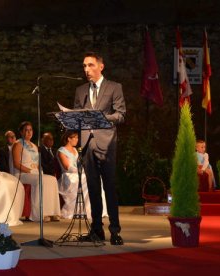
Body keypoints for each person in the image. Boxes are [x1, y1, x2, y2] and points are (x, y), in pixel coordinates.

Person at [74, 52, 126, 245]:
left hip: (106, 144)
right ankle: (96, 231)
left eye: (90, 65)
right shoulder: (80, 90)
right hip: (87, 144)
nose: (86, 69)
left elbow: (120, 115)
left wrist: (101, 118)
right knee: (93, 189)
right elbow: (77, 116)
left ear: (100, 66)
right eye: (84, 66)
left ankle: (115, 231)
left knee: (110, 188)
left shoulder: (114, 87)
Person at [12, 121, 61, 222]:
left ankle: (52, 212)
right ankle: (39, 213)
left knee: (52, 179)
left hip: (34, 173)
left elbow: (38, 163)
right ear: (21, 132)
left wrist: (39, 170)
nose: (29, 132)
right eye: (26, 130)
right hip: (22, 173)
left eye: (30, 130)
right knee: (40, 181)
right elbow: (16, 164)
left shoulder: (34, 146)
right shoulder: (17, 144)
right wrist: (30, 171)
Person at [57, 130, 91, 219]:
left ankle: (87, 210)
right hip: (68, 175)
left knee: (91, 178)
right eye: (75, 137)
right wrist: (81, 171)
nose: (77, 139)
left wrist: (84, 169)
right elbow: (67, 167)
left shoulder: (75, 150)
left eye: (77, 137)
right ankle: (74, 210)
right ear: (69, 139)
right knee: (85, 178)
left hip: (78, 173)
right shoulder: (61, 150)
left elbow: (79, 163)